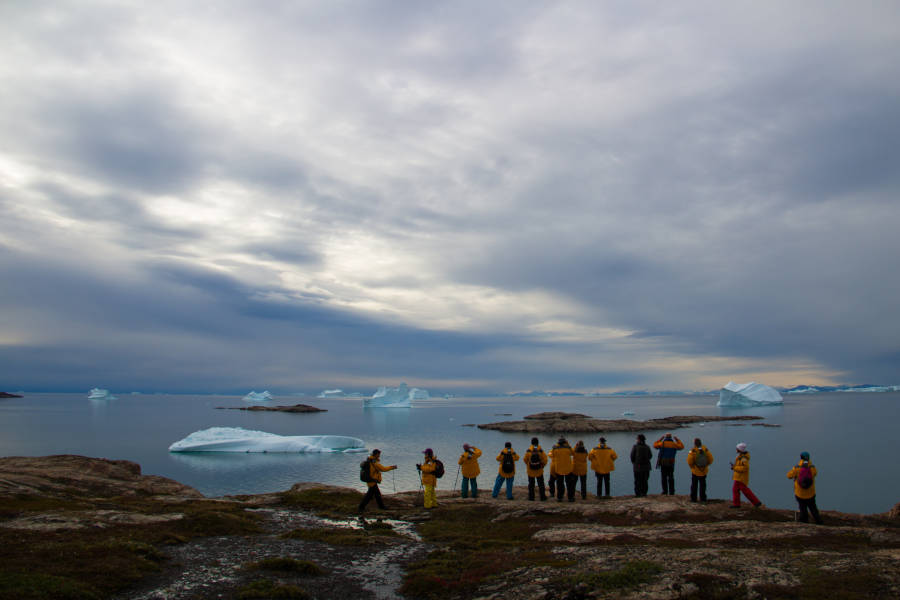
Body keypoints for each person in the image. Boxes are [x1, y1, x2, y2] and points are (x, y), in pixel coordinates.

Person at [787, 451, 823, 524]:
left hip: (800, 493)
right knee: (813, 508)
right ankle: (818, 521)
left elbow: (789, 476)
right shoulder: (812, 468)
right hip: (811, 493)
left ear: (801, 457)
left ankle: (804, 522)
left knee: (802, 508)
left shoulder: (797, 468)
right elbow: (815, 474)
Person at [358, 449, 397, 514]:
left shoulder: (369, 460)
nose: (379, 456)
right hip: (372, 480)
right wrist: (392, 467)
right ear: (376, 454)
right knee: (370, 495)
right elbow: (383, 469)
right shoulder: (374, 462)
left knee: (376, 494)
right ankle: (361, 507)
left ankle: (381, 506)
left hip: (370, 480)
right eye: (378, 454)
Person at [730, 442, 763, 508]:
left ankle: (756, 502)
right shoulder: (741, 456)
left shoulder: (743, 458)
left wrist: (734, 468)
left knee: (744, 491)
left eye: (737, 448)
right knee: (737, 490)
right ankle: (737, 504)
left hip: (741, 478)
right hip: (739, 477)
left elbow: (744, 468)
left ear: (740, 449)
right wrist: (734, 467)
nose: (736, 449)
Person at [686, 438, 713, 502]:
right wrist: (706, 465)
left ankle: (693, 499)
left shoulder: (692, 450)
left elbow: (689, 461)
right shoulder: (705, 449)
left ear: (694, 443)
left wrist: (692, 467)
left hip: (695, 471)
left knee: (694, 485)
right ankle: (703, 499)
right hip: (704, 471)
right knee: (703, 485)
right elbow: (711, 459)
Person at [550, 437, 575, 502]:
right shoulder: (568, 448)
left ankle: (560, 497)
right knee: (569, 484)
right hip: (568, 468)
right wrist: (568, 444)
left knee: (559, 484)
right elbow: (573, 453)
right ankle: (570, 497)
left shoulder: (555, 448)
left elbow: (552, 455)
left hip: (558, 468)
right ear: (565, 442)